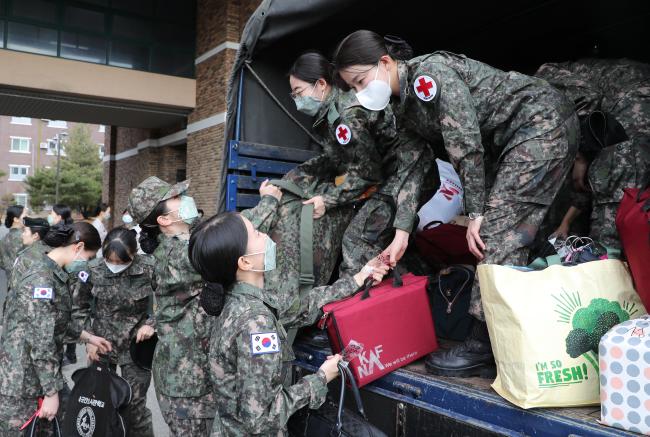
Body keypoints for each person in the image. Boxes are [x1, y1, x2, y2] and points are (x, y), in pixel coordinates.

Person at [333, 30, 579, 377]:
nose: (360, 93)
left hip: (539, 122)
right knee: (523, 236)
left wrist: (476, 212)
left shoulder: (429, 75)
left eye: (360, 81)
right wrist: (402, 231)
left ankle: (483, 344)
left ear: (385, 62)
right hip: (512, 139)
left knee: (496, 232)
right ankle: (527, 333)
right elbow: (413, 169)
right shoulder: (402, 109)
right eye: (352, 88)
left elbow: (465, 143)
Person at [187, 211, 388, 435]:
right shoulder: (256, 323)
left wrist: (360, 277)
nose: (266, 235)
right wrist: (321, 378)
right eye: (256, 233)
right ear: (245, 262)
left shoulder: (237, 301)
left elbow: (304, 305)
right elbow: (260, 419)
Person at [128, 176, 280, 436]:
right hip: (188, 387)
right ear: (164, 220)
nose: (185, 198)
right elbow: (235, 238)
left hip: (192, 377)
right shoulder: (177, 255)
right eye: (176, 198)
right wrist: (268, 201)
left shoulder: (181, 241)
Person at [288, 51, 435, 281]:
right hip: (396, 173)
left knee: (357, 239)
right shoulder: (331, 115)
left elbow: (367, 175)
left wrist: (327, 200)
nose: (296, 100)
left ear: (321, 84)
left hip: (408, 174)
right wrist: (291, 180)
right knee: (385, 238)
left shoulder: (345, 116)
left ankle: (350, 306)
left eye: (299, 92)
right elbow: (334, 158)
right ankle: (425, 284)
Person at [0, 222, 111, 432]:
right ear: (77, 247)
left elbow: (52, 322)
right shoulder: (42, 282)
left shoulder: (51, 272)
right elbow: (40, 343)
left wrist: (88, 337)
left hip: (37, 376)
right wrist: (51, 394)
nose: (85, 264)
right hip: (22, 383)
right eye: (87, 258)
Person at [72, 227, 156, 436]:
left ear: (133, 255)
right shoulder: (92, 269)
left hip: (136, 347)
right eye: (111, 261)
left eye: (121, 262)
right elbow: (78, 308)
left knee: (134, 407)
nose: (115, 266)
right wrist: (89, 340)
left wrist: (151, 323)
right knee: (99, 402)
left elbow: (167, 301)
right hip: (101, 345)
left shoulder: (149, 268)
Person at [0, 205, 26, 279]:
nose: (28, 217)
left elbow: (2, 263)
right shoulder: (24, 238)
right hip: (26, 282)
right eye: (25, 215)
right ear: (16, 219)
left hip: (11, 282)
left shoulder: (4, 239)